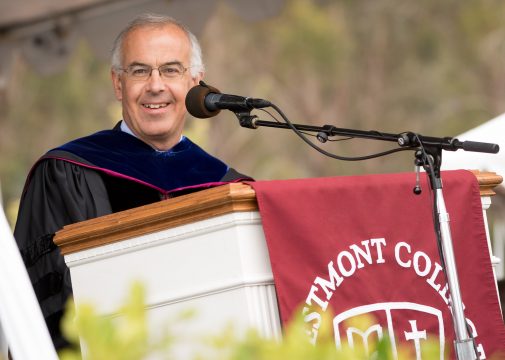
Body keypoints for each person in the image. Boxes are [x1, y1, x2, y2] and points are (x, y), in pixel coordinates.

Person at [14, 13, 248, 350]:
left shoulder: (227, 186)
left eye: (171, 70)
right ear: (118, 84)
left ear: (196, 83)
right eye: (140, 71)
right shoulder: (67, 172)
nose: (156, 85)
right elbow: (44, 306)